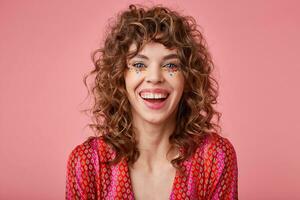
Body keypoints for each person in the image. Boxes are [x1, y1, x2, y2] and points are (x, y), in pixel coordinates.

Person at [65, 4, 238, 200]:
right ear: (120, 76)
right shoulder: (87, 162)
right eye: (139, 64)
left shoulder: (214, 158)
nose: (155, 77)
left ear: (188, 77)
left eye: (171, 65)